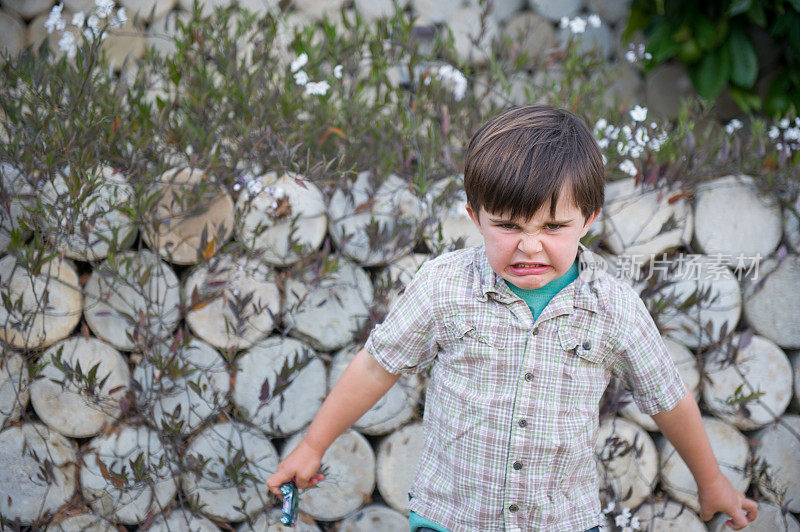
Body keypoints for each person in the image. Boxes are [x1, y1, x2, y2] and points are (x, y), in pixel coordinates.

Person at [266, 105, 758, 531]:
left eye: (553, 226)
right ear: (474, 215)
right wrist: (313, 444)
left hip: (562, 520)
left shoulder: (614, 307)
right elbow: (377, 365)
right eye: (506, 225)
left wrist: (711, 480)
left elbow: (668, 399)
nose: (529, 245)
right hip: (450, 517)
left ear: (588, 219)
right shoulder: (444, 286)